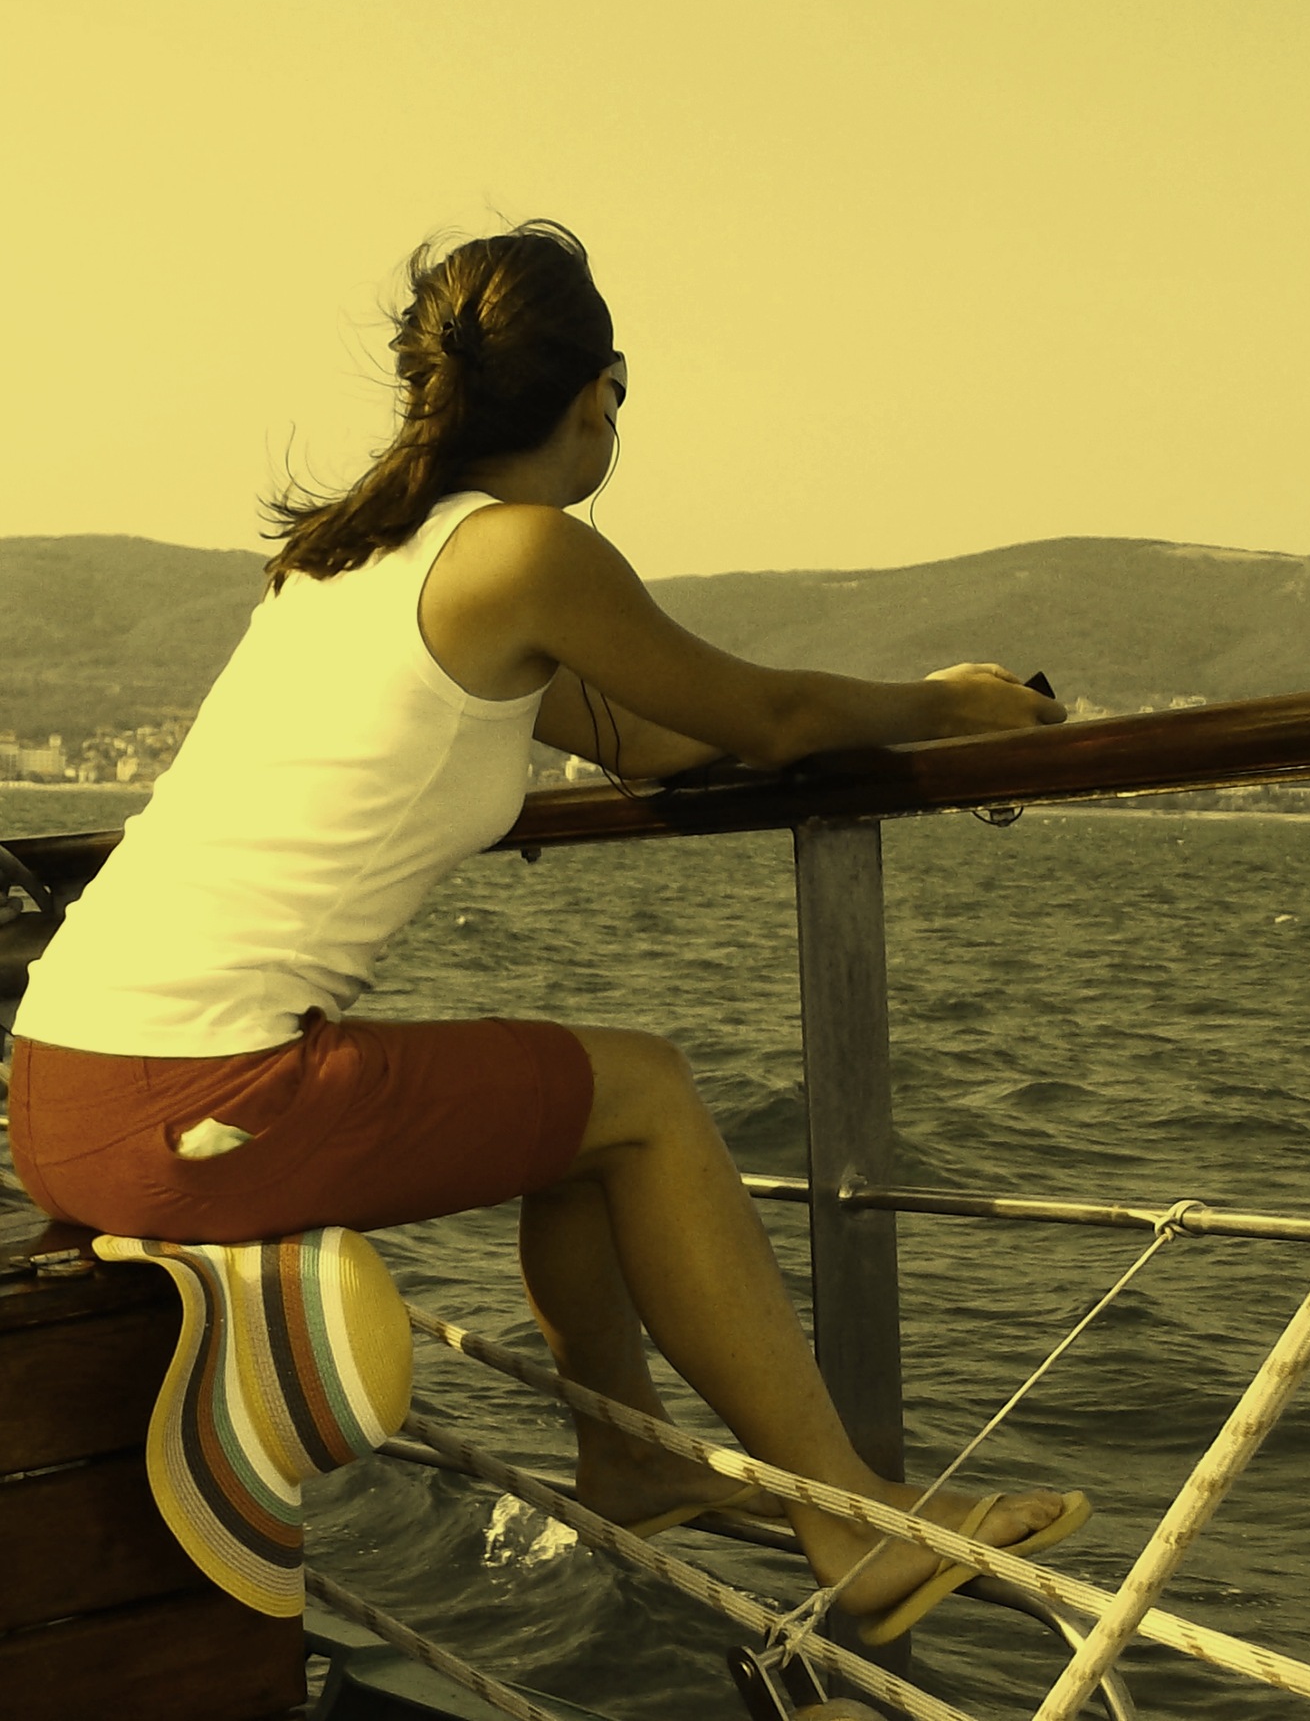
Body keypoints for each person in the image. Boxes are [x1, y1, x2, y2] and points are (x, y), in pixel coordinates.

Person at [8, 220, 1081, 1632]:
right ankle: (850, 1519)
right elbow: (770, 718)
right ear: (593, 396)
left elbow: (657, 737)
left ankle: (630, 1456)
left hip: (63, 1084)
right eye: (620, 389)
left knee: (580, 1112)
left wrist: (850, 721)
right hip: (189, 1102)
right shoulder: (525, 554)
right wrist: (951, 705)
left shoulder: (345, 562)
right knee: (645, 1093)